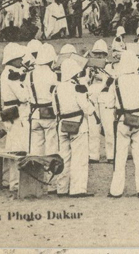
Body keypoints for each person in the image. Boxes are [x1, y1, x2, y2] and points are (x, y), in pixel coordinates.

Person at [108, 50, 139, 198]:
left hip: (123, 119)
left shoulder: (116, 81)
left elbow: (109, 103)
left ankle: (116, 190)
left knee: (120, 156)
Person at [55, 58, 94, 197]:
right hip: (78, 125)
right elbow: (87, 109)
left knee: (63, 157)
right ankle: (77, 189)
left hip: (63, 125)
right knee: (79, 158)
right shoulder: (77, 88)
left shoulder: (57, 88)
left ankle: (61, 188)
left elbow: (55, 110)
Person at [0, 43, 30, 192]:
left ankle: (7, 179)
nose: (21, 61)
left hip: (9, 112)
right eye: (19, 59)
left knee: (11, 146)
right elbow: (23, 96)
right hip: (16, 112)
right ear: (13, 59)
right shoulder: (11, 75)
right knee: (18, 148)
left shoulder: (8, 72)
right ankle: (15, 183)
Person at [26, 43, 58, 156]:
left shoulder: (29, 75)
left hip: (34, 113)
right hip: (49, 112)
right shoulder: (52, 75)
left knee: (36, 146)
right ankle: (50, 170)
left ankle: (35, 169)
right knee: (51, 144)